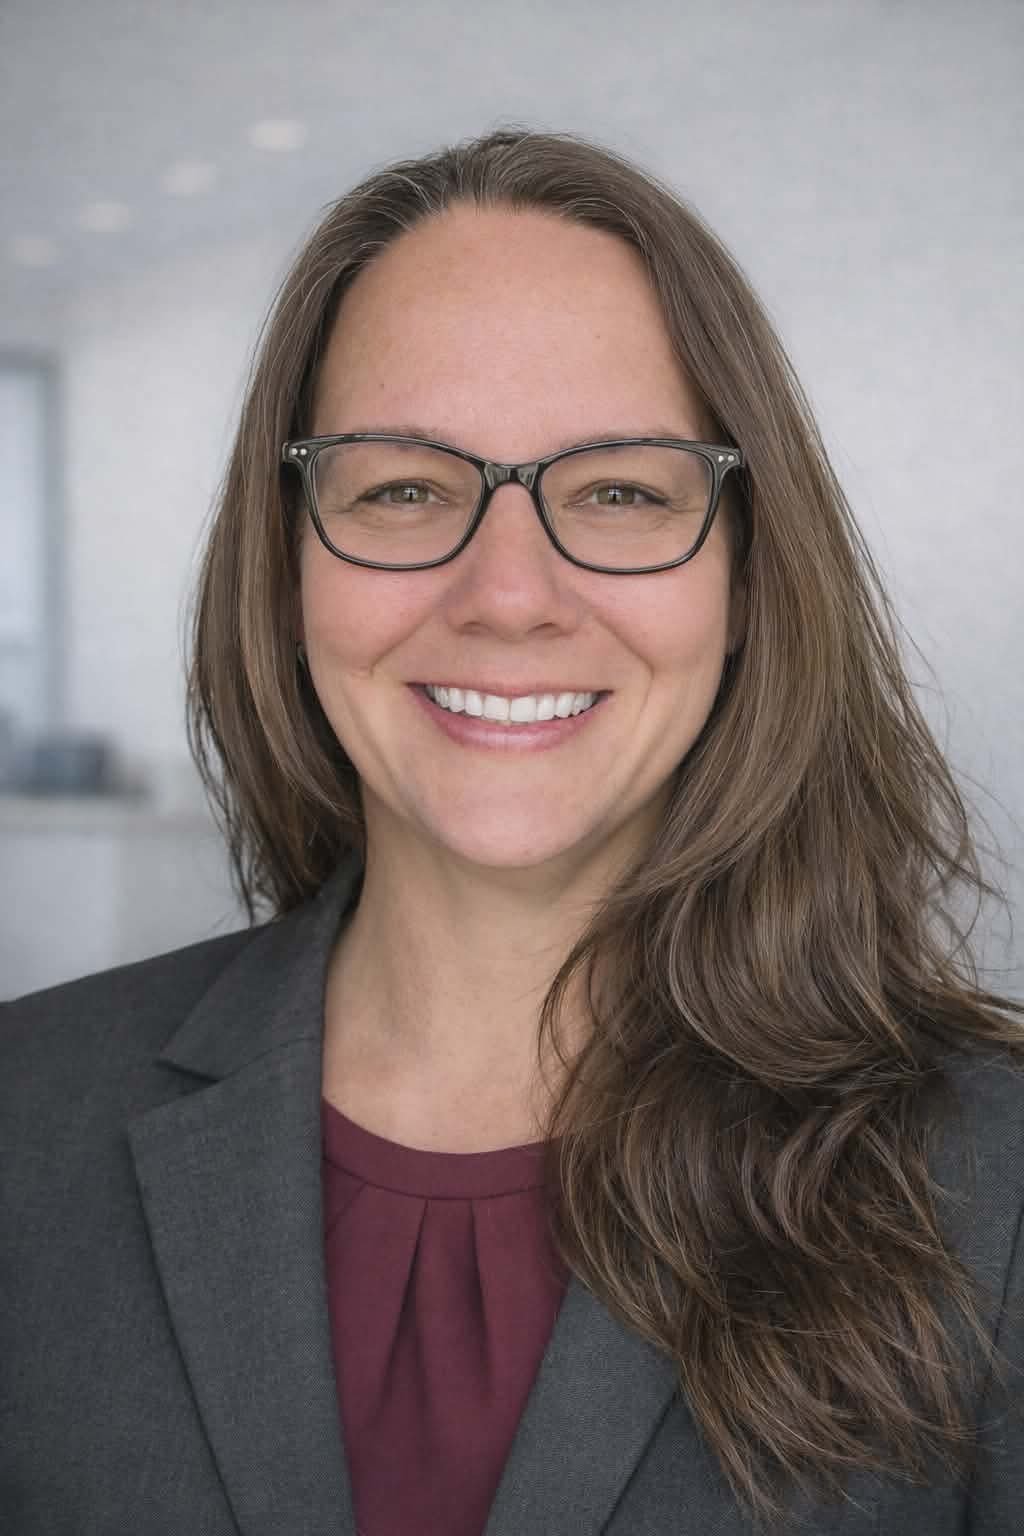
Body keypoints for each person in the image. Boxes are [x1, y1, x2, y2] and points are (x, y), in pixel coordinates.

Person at [1, 129, 1022, 1536]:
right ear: (287, 558)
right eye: (405, 486)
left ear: (746, 576)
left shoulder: (996, 1179)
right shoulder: (20, 1120)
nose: (509, 593)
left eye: (619, 490)